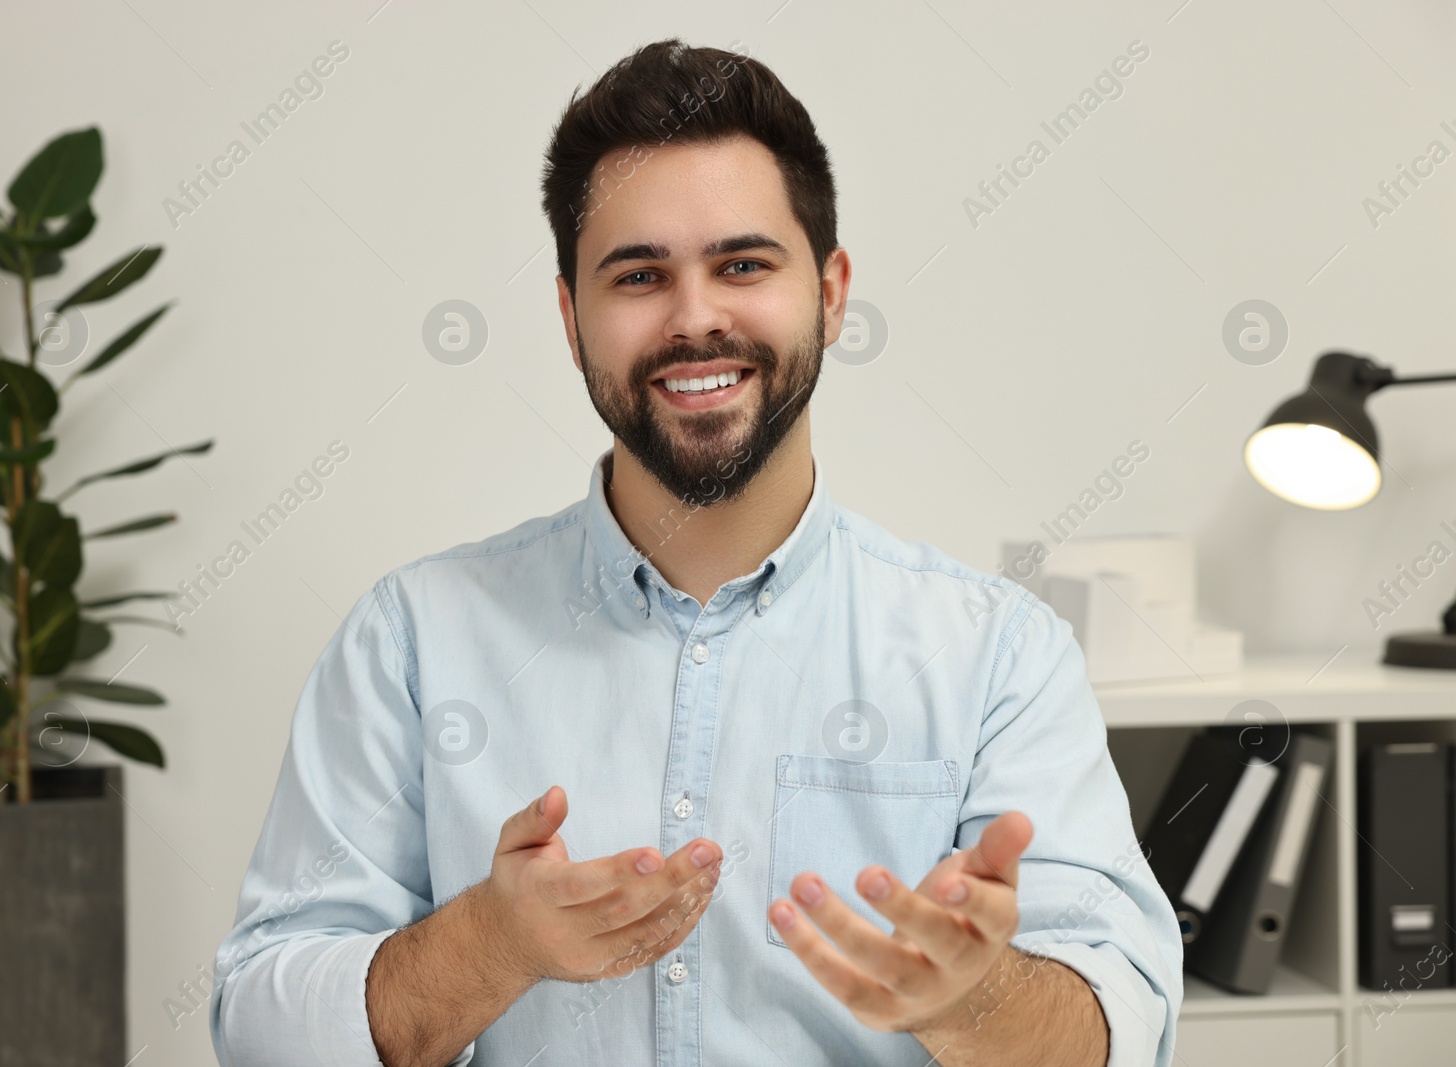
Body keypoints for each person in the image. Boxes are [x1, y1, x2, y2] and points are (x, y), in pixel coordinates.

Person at [209, 36, 1182, 1067]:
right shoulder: (410, 640)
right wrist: (489, 942)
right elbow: (261, 1028)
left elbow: (1121, 1023)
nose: (695, 318)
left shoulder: (996, 654)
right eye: (638, 275)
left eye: (744, 264)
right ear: (571, 319)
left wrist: (969, 993)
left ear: (833, 291)